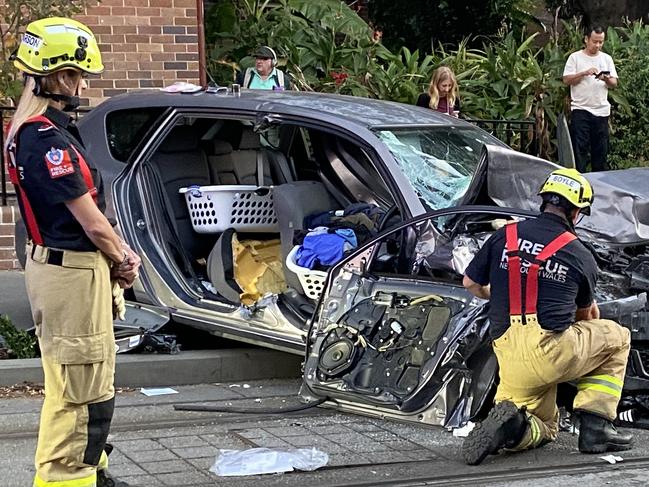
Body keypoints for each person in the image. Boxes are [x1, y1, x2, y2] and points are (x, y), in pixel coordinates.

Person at [5, 17, 141, 487]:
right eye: (81, 75)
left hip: (71, 270)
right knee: (79, 392)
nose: (84, 84)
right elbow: (91, 221)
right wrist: (124, 257)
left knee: (86, 385)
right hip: (71, 273)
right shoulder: (45, 141)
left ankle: (93, 473)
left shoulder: (34, 132)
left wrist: (113, 258)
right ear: (61, 76)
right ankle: (69, 480)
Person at [460, 168, 632, 466]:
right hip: (553, 351)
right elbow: (586, 317)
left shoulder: (505, 236)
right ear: (576, 211)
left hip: (509, 357)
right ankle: (596, 427)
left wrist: (499, 293)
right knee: (617, 338)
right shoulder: (578, 253)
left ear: (543, 201)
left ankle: (513, 428)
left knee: (544, 425)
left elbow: (470, 284)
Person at [563, 26, 618, 172]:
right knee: (579, 149)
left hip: (601, 111)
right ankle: (579, 180)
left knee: (600, 151)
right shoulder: (575, 57)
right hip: (581, 109)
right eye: (595, 41)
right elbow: (566, 80)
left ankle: (599, 182)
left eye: (601, 42)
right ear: (586, 39)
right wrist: (584, 73)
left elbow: (614, 83)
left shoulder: (607, 59)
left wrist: (605, 78)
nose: (598, 45)